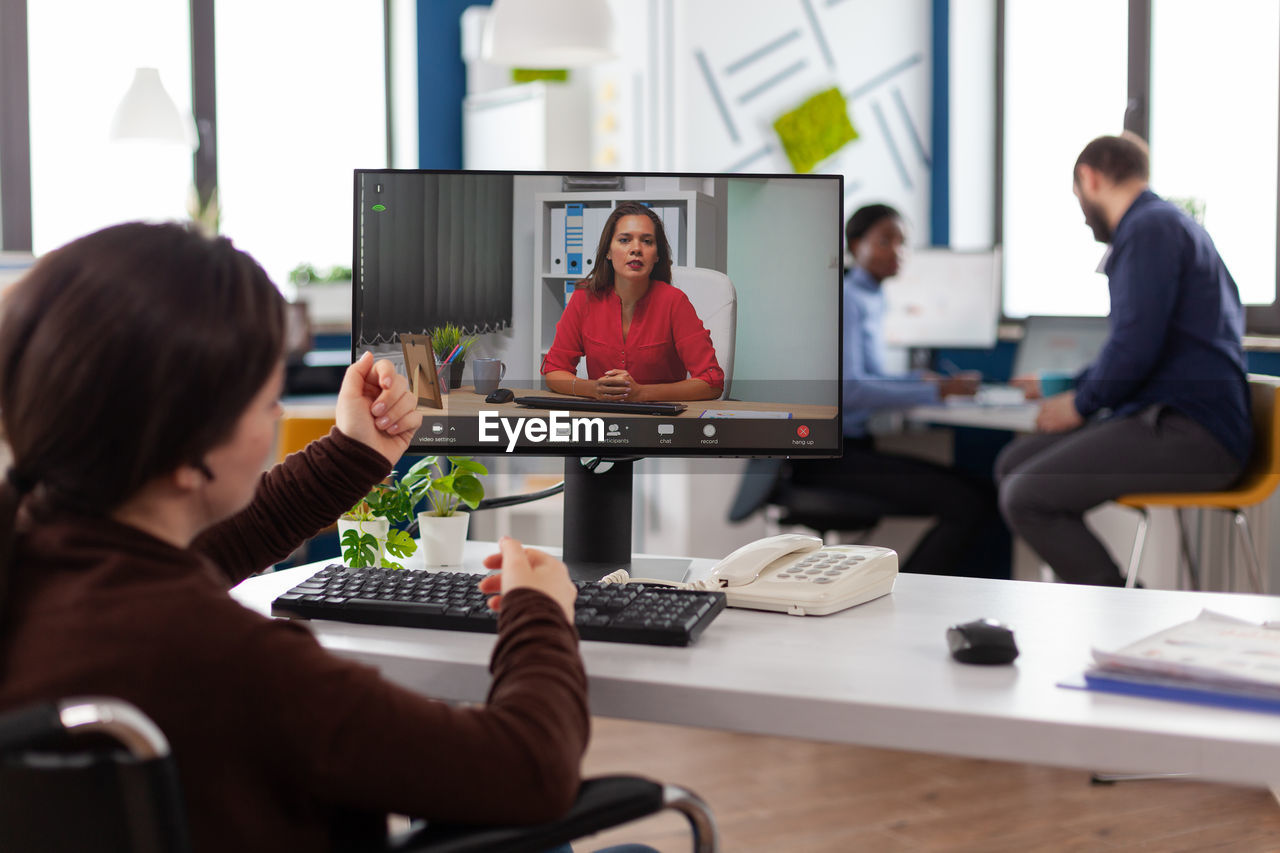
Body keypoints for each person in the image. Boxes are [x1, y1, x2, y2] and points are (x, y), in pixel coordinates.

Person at [0, 222, 637, 853]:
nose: (278, 416)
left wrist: (356, 453)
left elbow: (203, 552)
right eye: (266, 401)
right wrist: (541, 615)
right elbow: (528, 769)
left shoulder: (37, 570)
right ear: (188, 455)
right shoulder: (241, 664)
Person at [995, 134, 1250, 586]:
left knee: (1025, 496)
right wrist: (1069, 385)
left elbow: (1135, 346)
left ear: (1089, 178)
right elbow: (1142, 344)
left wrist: (1078, 404)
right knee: (1013, 464)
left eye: (1077, 196)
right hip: (1174, 419)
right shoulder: (1166, 223)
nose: (1081, 212)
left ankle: (1128, 612)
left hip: (1191, 433)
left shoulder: (1148, 228)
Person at [789, 203, 1000, 576]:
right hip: (828, 458)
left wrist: (922, 383)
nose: (898, 251)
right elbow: (850, 390)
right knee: (969, 501)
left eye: (903, 242)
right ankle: (907, 592)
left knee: (977, 491)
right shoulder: (847, 299)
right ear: (855, 245)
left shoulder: (870, 297)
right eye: (886, 240)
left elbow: (869, 376)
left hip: (852, 450)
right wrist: (936, 392)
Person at [542, 201, 723, 402]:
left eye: (647, 241)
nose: (636, 249)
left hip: (660, 423)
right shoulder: (584, 298)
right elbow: (554, 371)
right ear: (608, 252)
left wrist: (641, 393)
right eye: (624, 240)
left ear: (657, 255)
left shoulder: (674, 302)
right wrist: (593, 389)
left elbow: (712, 382)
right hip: (602, 420)